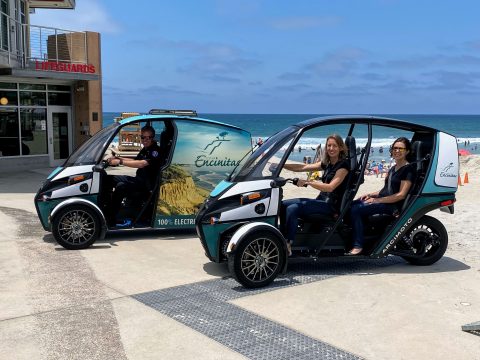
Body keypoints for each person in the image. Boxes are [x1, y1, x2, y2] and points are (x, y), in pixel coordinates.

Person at [281, 134, 350, 255]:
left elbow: (330, 187)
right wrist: (281, 165)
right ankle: (281, 236)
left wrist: (308, 182)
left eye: (334, 146)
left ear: (341, 148)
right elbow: (304, 167)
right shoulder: (327, 163)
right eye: (329, 145)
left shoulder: (343, 166)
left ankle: (288, 243)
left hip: (330, 206)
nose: (331, 148)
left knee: (293, 208)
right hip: (321, 200)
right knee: (282, 205)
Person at [348, 137, 415, 255]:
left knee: (356, 210)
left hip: (392, 206)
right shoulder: (394, 168)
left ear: (407, 151)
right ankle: (364, 236)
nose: (397, 151)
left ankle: (358, 245)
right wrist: (369, 194)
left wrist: (376, 200)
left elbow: (401, 195)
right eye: (395, 148)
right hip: (384, 201)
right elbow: (386, 190)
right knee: (351, 204)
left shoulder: (408, 169)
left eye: (400, 148)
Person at [106, 125, 162, 226]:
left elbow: (142, 163)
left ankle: (111, 218)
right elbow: (135, 160)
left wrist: (120, 161)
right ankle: (106, 208)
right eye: (143, 137)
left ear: (153, 138)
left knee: (120, 186)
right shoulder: (146, 149)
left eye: (148, 137)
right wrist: (117, 158)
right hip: (139, 180)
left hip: (146, 185)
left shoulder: (155, 151)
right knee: (108, 178)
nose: (145, 140)